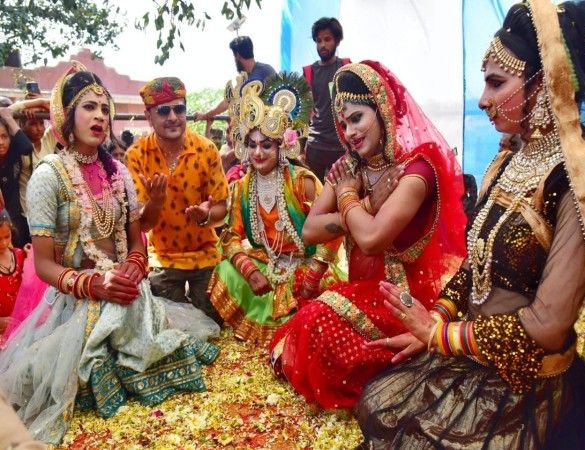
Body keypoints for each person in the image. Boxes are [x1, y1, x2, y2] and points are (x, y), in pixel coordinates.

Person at [356, 2, 585, 448]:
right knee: (378, 401)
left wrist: (441, 336)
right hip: (474, 353)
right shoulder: (510, 157)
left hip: (526, 382)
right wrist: (435, 319)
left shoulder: (580, 182)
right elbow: (476, 264)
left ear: (547, 81)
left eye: (496, 82)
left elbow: (547, 325)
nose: (483, 99)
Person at [0, 63, 220, 445]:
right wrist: (95, 284)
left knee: (161, 343)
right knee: (61, 373)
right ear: (66, 115)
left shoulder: (116, 171)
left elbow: (136, 239)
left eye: (105, 109)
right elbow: (45, 264)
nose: (100, 116)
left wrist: (134, 266)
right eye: (89, 107)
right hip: (76, 300)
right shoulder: (47, 175)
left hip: (127, 288)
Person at [269, 61, 467, 409]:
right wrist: (366, 203)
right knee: (309, 323)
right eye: (343, 124)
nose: (349, 132)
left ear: (384, 110)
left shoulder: (417, 170)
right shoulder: (348, 169)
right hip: (359, 295)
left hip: (401, 302)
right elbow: (310, 230)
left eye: (357, 118)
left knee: (317, 324)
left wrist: (347, 199)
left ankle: (397, 374)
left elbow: (373, 238)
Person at [208, 73, 342, 346]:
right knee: (224, 269)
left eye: (266, 145)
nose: (258, 152)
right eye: (252, 145)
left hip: (306, 266)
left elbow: (335, 228)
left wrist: (313, 275)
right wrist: (250, 272)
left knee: (319, 313)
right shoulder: (241, 188)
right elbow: (231, 238)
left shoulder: (302, 182)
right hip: (267, 264)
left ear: (281, 146)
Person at [125, 77, 228, 324]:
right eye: (163, 110)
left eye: (179, 108)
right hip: (162, 258)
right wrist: (156, 201)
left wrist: (206, 216)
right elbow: (143, 226)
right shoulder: (136, 156)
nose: (172, 116)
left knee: (215, 326)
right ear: (148, 116)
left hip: (205, 254)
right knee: (169, 328)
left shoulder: (206, 149)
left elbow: (222, 210)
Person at [303, 17, 351, 182]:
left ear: (337, 41)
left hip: (342, 145)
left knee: (342, 194)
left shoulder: (347, 66)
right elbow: (304, 112)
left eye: (327, 39)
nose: (322, 45)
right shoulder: (309, 72)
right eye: (318, 40)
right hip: (315, 146)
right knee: (313, 196)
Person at [194, 36, 276, 122]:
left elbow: (228, 102)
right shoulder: (249, 76)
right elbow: (228, 101)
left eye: (234, 56)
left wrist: (204, 116)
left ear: (237, 55)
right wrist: (205, 115)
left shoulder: (263, 72)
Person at [0, 107, 33, 247]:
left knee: (21, 255)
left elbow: (27, 147)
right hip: (1, 222)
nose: (1, 142)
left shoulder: (13, 150)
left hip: (16, 216)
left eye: (4, 136)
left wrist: (8, 118)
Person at [0, 211, 25, 335]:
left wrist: (29, 256)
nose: (3, 243)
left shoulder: (19, 255)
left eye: (7, 237)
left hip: (22, 327)